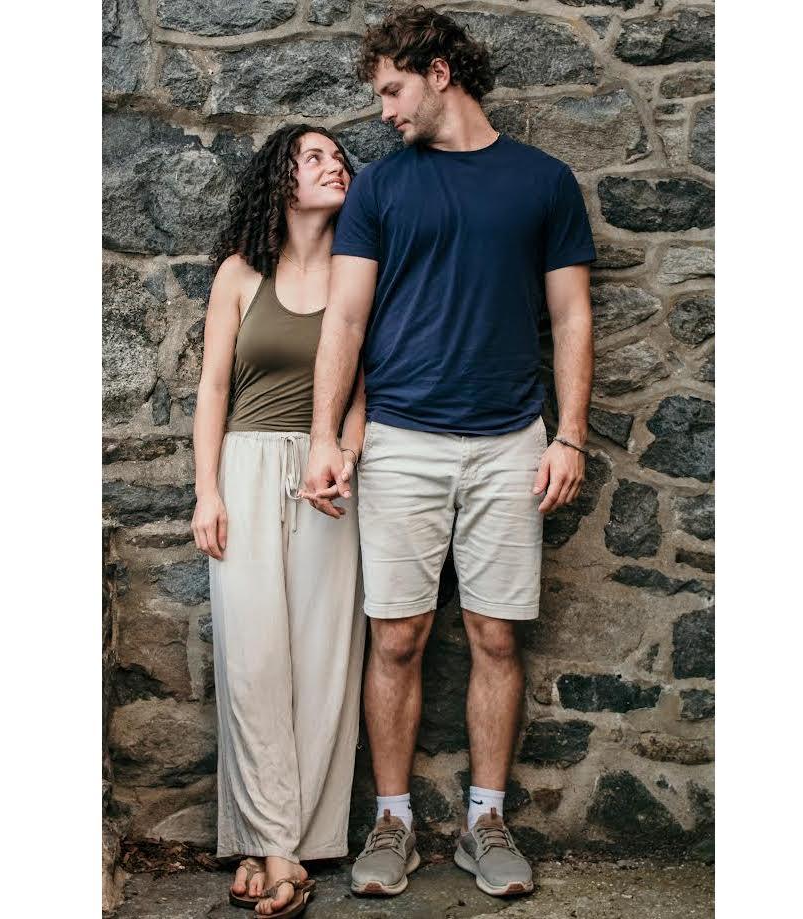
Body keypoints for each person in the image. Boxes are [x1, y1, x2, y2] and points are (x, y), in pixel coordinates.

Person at [301, 6, 596, 900]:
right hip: (399, 440)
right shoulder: (383, 189)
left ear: (439, 73)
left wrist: (569, 433)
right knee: (396, 636)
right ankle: (392, 821)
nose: (383, 110)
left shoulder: (543, 181)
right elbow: (345, 319)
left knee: (495, 635)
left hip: (511, 440)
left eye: (392, 89)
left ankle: (484, 820)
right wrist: (324, 436)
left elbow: (570, 316)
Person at [191, 124, 366, 918]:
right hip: (247, 467)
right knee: (253, 658)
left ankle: (280, 845)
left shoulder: (360, 270)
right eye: (314, 157)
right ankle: (274, 844)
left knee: (323, 660)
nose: (335, 166)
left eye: (339, 157)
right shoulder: (239, 274)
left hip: (330, 475)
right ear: (281, 181)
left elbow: (366, 385)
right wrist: (207, 490)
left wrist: (347, 457)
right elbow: (212, 389)